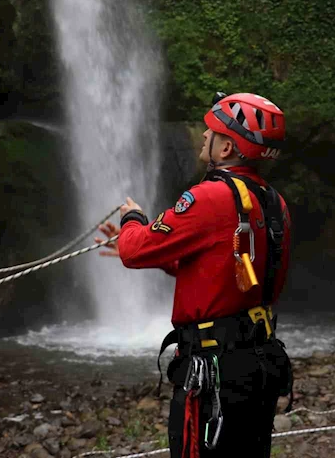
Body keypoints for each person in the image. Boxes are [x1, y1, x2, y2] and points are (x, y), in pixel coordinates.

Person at [95, 92, 293, 457]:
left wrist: (132, 221)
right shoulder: (273, 201)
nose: (204, 135)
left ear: (227, 148)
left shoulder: (209, 197)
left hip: (213, 370)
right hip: (260, 362)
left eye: (211, 130)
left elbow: (134, 250)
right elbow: (224, 271)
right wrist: (154, 254)